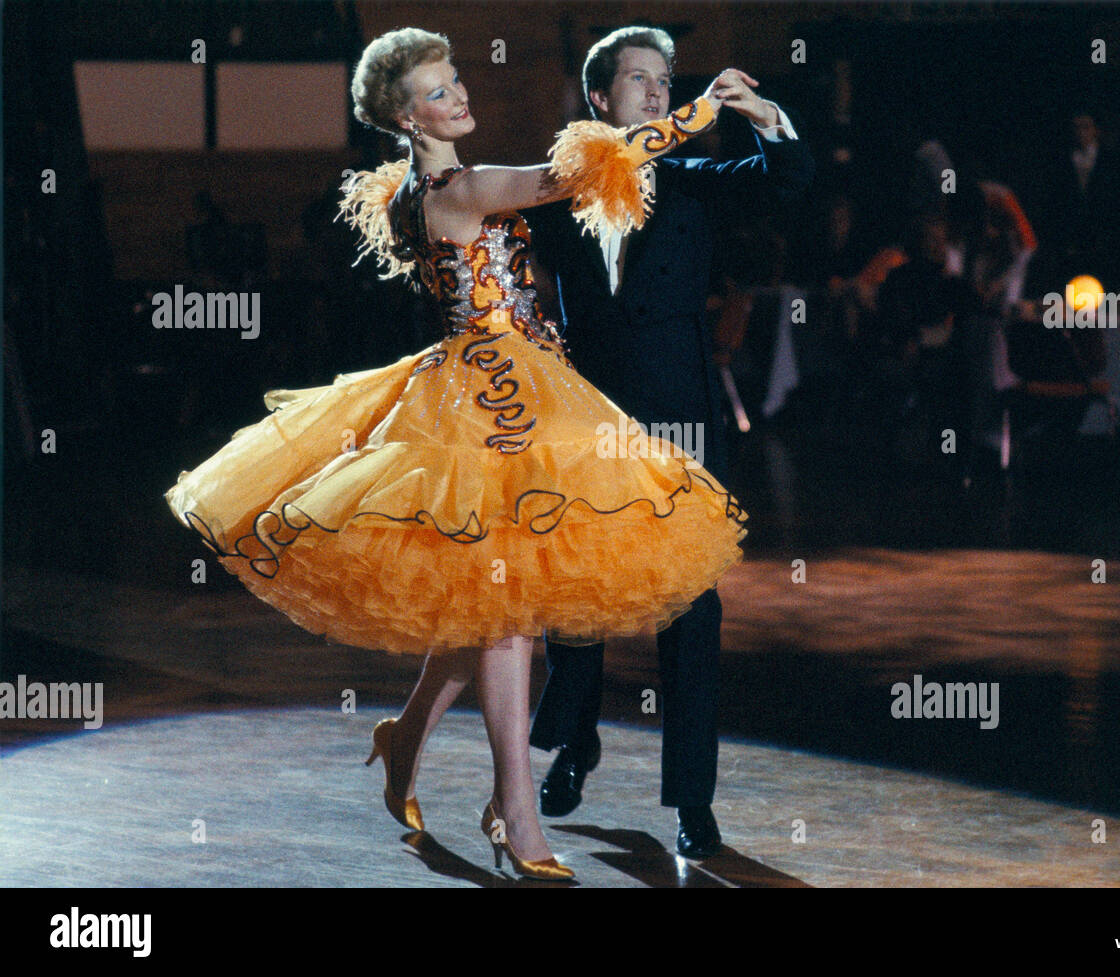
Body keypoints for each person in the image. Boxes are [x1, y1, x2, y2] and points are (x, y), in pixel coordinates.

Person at [163, 27, 747, 882]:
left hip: (519, 391)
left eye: (457, 77)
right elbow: (578, 176)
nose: (462, 96)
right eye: (440, 91)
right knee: (503, 612)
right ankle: (515, 813)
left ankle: (406, 740)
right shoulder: (462, 187)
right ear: (406, 116)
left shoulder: (416, 186)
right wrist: (696, 112)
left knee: (486, 607)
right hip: (492, 407)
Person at [524, 25, 813, 858]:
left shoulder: (688, 179)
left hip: (682, 421)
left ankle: (692, 799)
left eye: (664, 80)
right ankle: (576, 742)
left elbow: (787, 178)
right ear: (599, 97)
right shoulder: (561, 186)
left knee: (691, 605)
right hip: (587, 424)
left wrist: (762, 113)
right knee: (579, 595)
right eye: (638, 79)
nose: (657, 93)